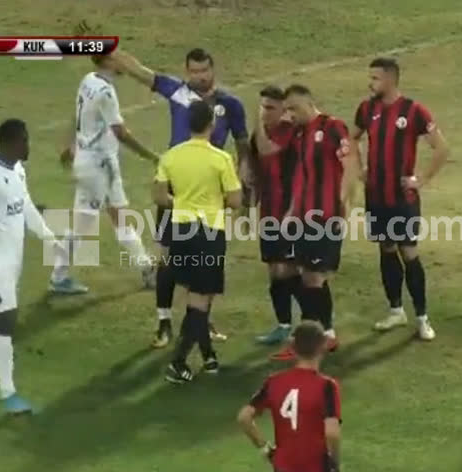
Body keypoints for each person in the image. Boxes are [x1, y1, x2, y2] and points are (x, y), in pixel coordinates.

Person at [112, 47, 252, 346]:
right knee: (166, 257)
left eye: (204, 71)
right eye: (194, 71)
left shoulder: (230, 104)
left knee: (205, 260)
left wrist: (242, 181)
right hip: (175, 186)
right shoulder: (178, 91)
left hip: (209, 193)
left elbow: (243, 144)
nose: (199, 77)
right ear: (186, 71)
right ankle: (163, 323)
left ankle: (201, 322)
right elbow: (138, 70)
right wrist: (102, 46)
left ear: (213, 70)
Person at [0, 119, 66, 414]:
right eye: (25, 140)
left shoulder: (18, 169)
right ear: (11, 142)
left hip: (12, 261)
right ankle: (9, 393)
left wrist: (50, 239)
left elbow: (26, 207)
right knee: (5, 322)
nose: (29, 146)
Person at [351, 57, 449, 341]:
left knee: (409, 252)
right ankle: (396, 310)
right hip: (376, 195)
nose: (370, 83)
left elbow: (441, 148)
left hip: (402, 198)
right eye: (370, 78)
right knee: (386, 248)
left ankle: (422, 317)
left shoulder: (414, 111)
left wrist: (421, 179)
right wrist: (359, 169)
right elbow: (351, 138)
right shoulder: (366, 109)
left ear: (391, 80)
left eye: (375, 78)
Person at [48, 53, 159, 295]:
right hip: (99, 166)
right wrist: (152, 157)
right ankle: (147, 269)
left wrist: (69, 145)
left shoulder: (88, 80)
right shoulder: (106, 92)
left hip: (88, 160)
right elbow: (121, 133)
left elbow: (77, 116)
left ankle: (146, 267)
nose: (124, 63)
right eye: (118, 58)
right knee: (103, 221)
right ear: (108, 61)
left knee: (104, 220)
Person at [153, 100, 243, 383]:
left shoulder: (170, 156)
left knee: (197, 296)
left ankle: (208, 356)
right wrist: (213, 203)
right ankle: (177, 363)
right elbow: (235, 200)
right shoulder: (221, 158)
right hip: (208, 233)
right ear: (211, 124)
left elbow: (159, 197)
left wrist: (182, 203)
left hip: (180, 230)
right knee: (201, 301)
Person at [271, 84, 357, 361]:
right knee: (308, 276)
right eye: (287, 110)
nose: (290, 115)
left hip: (325, 216)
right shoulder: (300, 135)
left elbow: (350, 164)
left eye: (294, 108)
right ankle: (326, 334)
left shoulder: (333, 127)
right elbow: (301, 177)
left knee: (313, 277)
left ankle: (305, 341)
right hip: (304, 217)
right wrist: (291, 211)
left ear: (309, 104)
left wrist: (343, 202)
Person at [238, 321, 342, 472]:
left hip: (283, 465)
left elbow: (244, 417)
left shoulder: (273, 382)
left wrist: (265, 448)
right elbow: (331, 433)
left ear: (293, 348)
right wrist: (335, 463)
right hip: (315, 466)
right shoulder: (327, 386)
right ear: (322, 347)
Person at [252, 85, 302, 346]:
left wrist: (256, 124)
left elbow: (266, 150)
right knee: (274, 268)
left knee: (290, 268)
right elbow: (254, 168)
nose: (265, 112)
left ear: (283, 109)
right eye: (262, 107)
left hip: (290, 212)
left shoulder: (288, 130)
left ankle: (316, 320)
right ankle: (283, 325)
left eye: (270, 108)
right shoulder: (260, 133)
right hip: (268, 213)